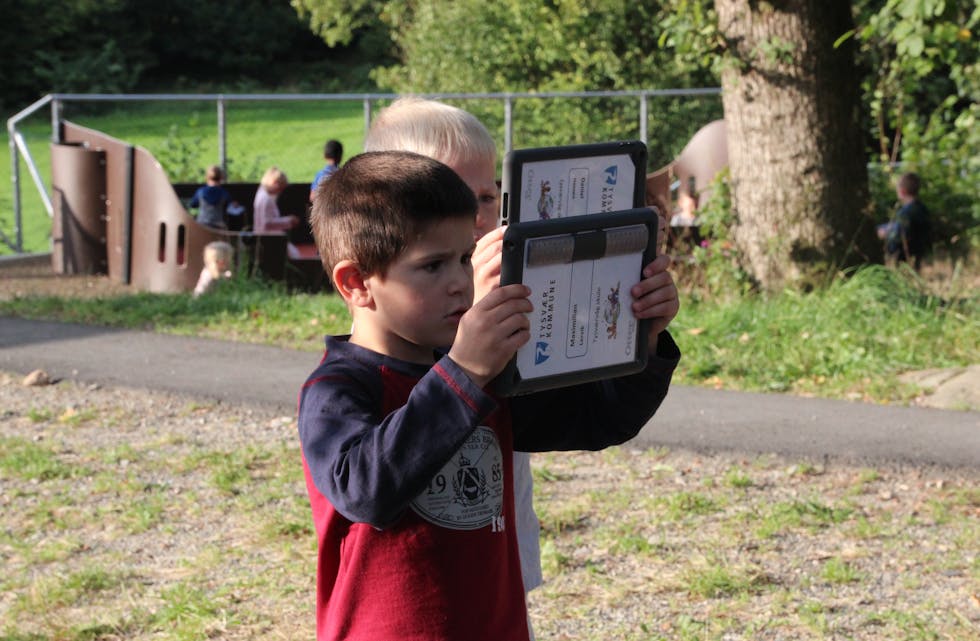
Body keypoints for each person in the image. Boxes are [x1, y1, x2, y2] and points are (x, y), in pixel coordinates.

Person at [298, 150, 681, 640]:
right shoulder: (337, 389)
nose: (461, 282)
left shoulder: (481, 368)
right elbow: (366, 491)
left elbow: (598, 421)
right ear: (357, 283)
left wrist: (641, 339)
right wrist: (463, 372)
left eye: (463, 257)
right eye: (432, 265)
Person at [360, 96, 548, 612]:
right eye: (451, 199)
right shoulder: (386, 339)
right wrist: (468, 346)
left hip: (498, 579)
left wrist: (637, 335)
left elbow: (579, 420)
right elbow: (369, 486)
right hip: (413, 603)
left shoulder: (513, 305)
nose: (475, 220)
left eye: (486, 198)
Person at [881, 171, 931, 271]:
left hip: (903, 260)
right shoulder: (922, 208)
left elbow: (899, 236)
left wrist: (884, 233)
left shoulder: (905, 213)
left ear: (902, 191)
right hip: (918, 253)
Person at [253, 166, 300, 233]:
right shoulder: (266, 198)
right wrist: (289, 220)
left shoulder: (261, 193)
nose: (279, 192)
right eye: (280, 188)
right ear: (274, 182)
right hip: (268, 239)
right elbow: (266, 223)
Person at [189, 165, 237, 229]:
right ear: (221, 178)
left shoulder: (200, 192)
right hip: (218, 226)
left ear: (207, 177)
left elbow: (192, 204)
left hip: (202, 226)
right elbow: (231, 206)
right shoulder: (224, 193)